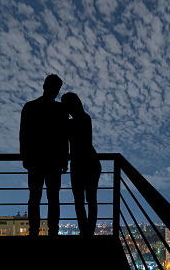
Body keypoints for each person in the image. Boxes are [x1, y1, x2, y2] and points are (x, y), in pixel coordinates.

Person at [19, 74, 68, 236]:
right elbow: (63, 137)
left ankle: (34, 231)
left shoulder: (30, 107)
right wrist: (64, 160)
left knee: (35, 198)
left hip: (35, 160)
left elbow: (24, 135)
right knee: (53, 199)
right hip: (53, 161)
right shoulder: (61, 110)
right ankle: (53, 231)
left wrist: (25, 157)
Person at [61, 92, 101, 236]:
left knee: (80, 201)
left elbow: (69, 141)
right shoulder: (85, 118)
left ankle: (85, 232)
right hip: (90, 163)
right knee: (90, 200)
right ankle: (88, 232)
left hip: (80, 165)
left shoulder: (71, 123)